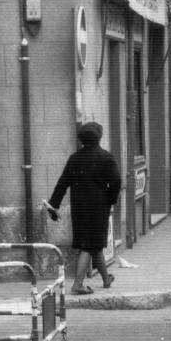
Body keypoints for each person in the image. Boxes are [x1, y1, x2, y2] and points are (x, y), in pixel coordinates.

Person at [46, 122, 122, 295]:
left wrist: (54, 205)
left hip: (79, 208)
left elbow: (62, 183)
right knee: (89, 245)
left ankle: (105, 278)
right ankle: (78, 284)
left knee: (94, 244)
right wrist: (110, 199)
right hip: (98, 207)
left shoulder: (75, 158)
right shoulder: (106, 157)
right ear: (99, 137)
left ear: (80, 140)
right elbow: (116, 181)